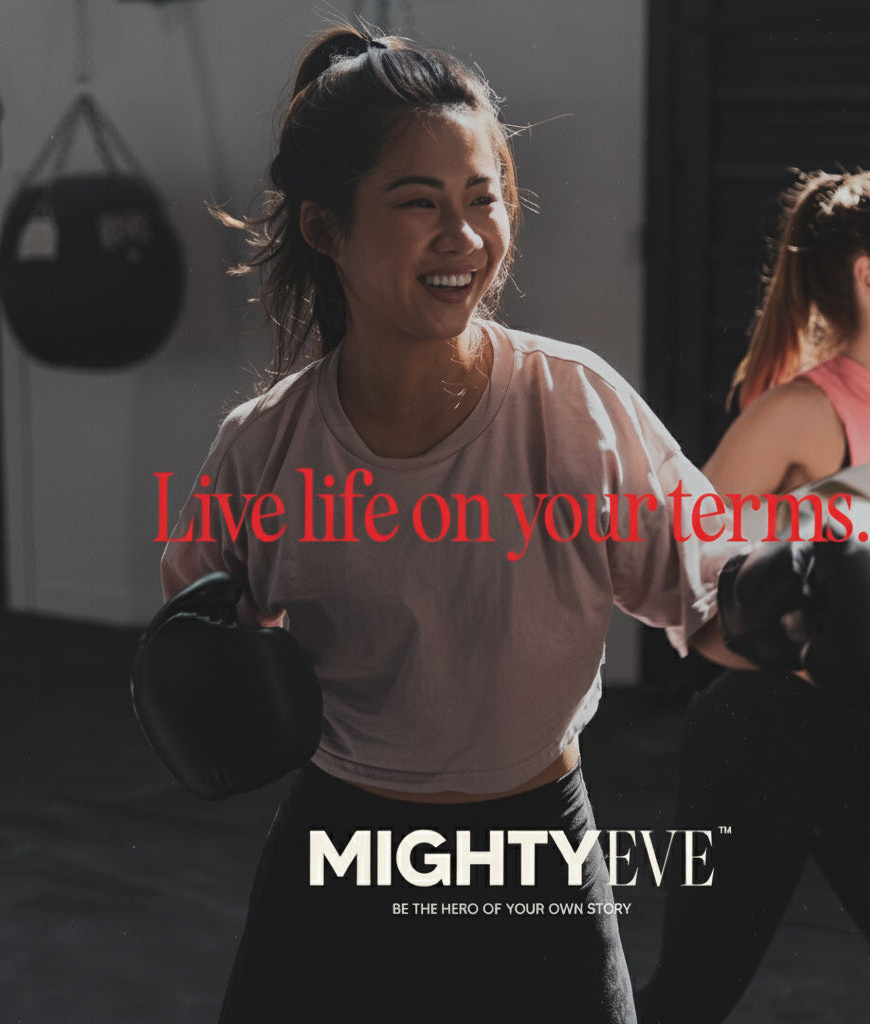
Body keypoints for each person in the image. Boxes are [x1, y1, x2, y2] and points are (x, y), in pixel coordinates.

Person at [157, 24, 732, 1024]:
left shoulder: (575, 404)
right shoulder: (264, 447)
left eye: (484, 198)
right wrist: (220, 671)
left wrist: (801, 606)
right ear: (325, 230)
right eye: (419, 203)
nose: (464, 237)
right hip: (339, 854)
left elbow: (709, 592)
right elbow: (192, 629)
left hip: (536, 851)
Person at [638, 163, 870, 1023]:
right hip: (766, 737)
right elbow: (673, 573)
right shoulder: (798, 414)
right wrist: (778, 594)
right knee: (693, 996)